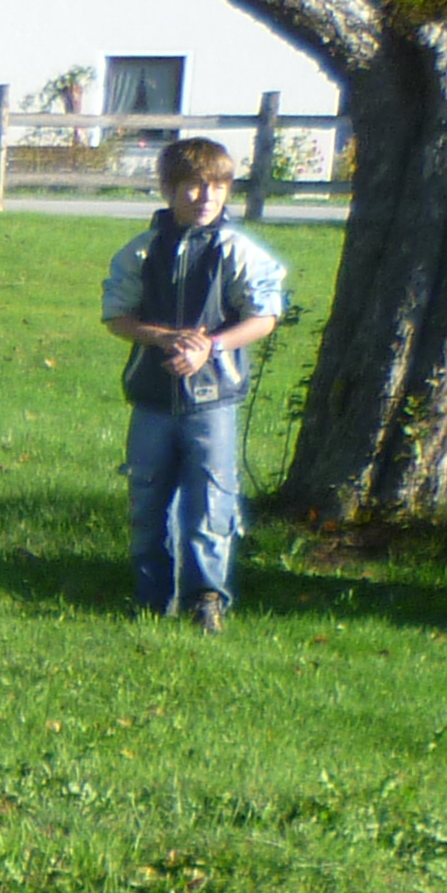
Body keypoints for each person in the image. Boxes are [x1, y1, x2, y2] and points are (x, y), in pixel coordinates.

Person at [99, 136, 289, 633]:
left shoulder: (237, 251)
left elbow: (265, 316)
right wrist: (164, 338)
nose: (206, 197)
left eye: (218, 187)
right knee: (147, 499)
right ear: (168, 189)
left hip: (213, 402)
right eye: (194, 186)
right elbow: (117, 315)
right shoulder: (141, 252)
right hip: (152, 400)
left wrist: (212, 346)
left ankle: (206, 598)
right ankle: (150, 596)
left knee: (211, 501)